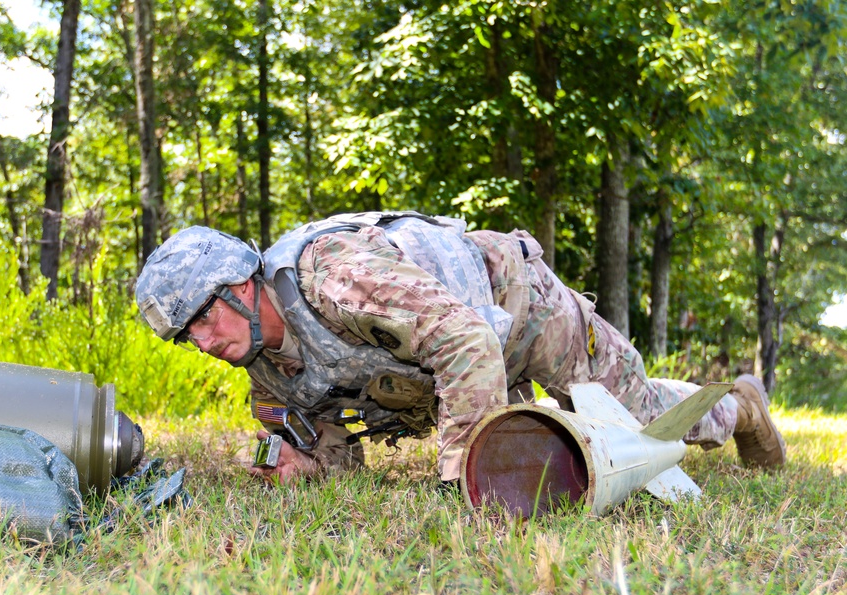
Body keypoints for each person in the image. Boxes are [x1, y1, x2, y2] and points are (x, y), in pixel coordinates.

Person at [135, 211, 786, 485]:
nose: (201, 341)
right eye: (184, 335)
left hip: (523, 310)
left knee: (646, 423)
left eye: (203, 317)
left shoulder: (332, 274)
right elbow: (341, 454)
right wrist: (310, 468)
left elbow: (466, 340)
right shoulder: (270, 378)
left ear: (243, 284)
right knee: (578, 451)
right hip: (472, 369)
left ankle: (739, 406)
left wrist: (461, 478)